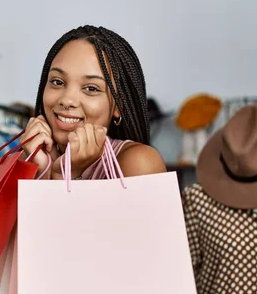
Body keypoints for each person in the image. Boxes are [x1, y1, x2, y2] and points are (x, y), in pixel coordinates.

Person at [20, 25, 166, 179]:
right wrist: (40, 173)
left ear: (119, 105)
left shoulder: (140, 163)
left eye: (91, 88)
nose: (67, 100)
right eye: (57, 82)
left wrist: (64, 175)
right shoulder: (30, 158)